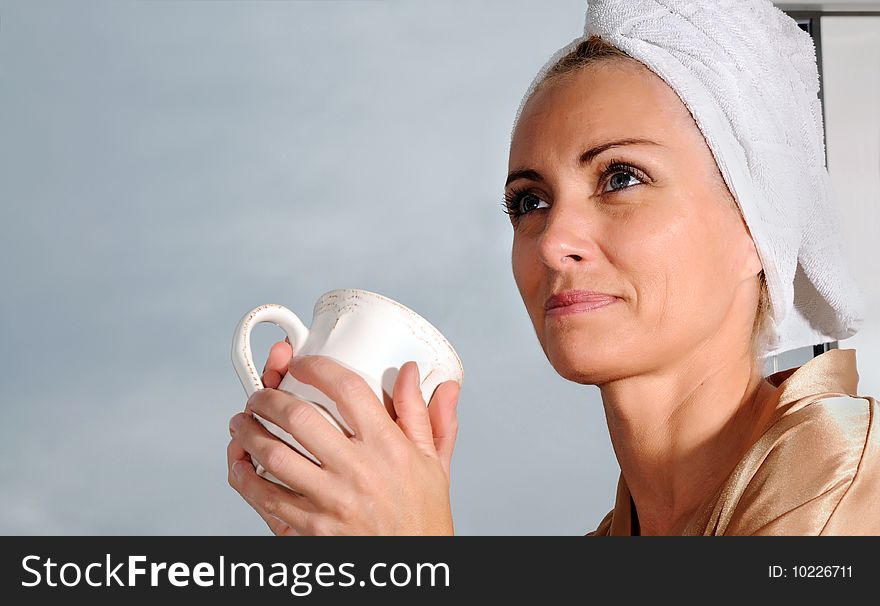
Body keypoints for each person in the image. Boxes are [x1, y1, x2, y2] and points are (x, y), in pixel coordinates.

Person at [227, 0, 879, 535]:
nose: (551, 239)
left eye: (621, 178)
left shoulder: (842, 496)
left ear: (755, 226)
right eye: (529, 202)